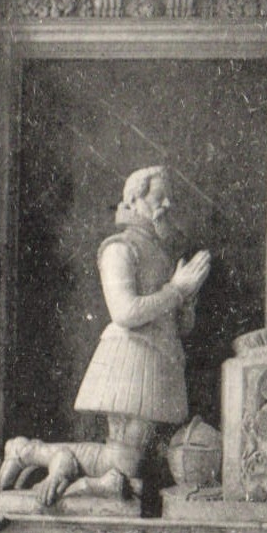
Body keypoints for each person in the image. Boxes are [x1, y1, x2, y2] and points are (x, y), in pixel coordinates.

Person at [74, 165, 210, 482]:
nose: (167, 206)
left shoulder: (160, 254)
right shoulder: (120, 248)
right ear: (134, 200)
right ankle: (29, 452)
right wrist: (177, 290)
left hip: (158, 358)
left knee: (129, 462)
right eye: (159, 199)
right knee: (122, 460)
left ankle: (31, 453)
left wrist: (186, 298)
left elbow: (178, 327)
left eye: (169, 200)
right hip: (130, 358)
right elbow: (125, 312)